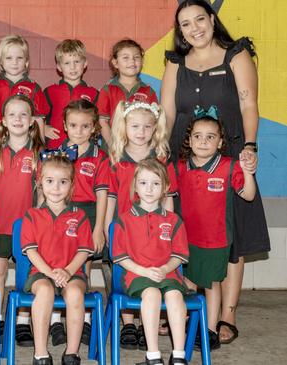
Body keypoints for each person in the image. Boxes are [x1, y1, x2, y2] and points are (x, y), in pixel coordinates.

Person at [161, 0, 270, 344]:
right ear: (179, 31)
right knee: (186, 233)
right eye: (185, 24)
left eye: (199, 20)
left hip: (228, 157)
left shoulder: (235, 54)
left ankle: (227, 315)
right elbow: (166, 112)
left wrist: (249, 148)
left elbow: (248, 103)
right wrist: (160, 151)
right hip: (184, 160)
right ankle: (185, 308)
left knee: (230, 236)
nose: (194, 28)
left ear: (212, 19)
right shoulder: (175, 63)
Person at [174, 106, 257, 350]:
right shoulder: (180, 167)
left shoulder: (229, 166)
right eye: (197, 136)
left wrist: (249, 173)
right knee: (187, 284)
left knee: (211, 285)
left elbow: (249, 195)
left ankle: (209, 330)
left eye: (210, 137)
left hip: (215, 241)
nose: (203, 141)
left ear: (220, 142)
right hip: (185, 240)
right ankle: (190, 325)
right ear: (189, 140)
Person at [104, 101, 176, 351]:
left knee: (152, 271)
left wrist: (168, 229)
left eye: (147, 126)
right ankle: (128, 325)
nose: (141, 131)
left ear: (155, 128)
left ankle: (149, 325)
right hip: (124, 230)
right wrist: (106, 228)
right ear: (124, 127)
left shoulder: (162, 159)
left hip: (154, 232)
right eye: (135, 126)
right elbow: (110, 196)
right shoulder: (115, 159)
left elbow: (169, 196)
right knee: (125, 274)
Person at [112, 159, 189, 365]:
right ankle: (153, 356)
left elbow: (180, 255)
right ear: (135, 186)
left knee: (174, 296)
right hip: (137, 275)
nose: (149, 189)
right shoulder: (125, 219)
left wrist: (164, 268)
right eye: (144, 183)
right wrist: (144, 272)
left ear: (165, 187)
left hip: (167, 274)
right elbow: (120, 257)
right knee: (152, 294)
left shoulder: (173, 220)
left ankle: (179, 355)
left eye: (156, 183)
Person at [21, 151, 94, 365]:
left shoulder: (79, 216)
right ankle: (41, 353)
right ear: (40, 183)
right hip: (41, 273)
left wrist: (68, 271)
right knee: (44, 291)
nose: (56, 187)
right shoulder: (32, 215)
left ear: (71, 186)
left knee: (74, 294)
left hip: (73, 273)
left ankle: (71, 353)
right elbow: (31, 251)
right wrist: (50, 272)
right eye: (50, 181)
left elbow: (84, 250)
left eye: (63, 182)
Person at [0, 95, 44, 345]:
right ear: (4, 122)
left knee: (24, 275)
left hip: (26, 228)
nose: (18, 119)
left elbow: (42, 191)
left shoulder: (38, 153)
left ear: (31, 121)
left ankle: (21, 322)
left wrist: (39, 221)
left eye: (23, 115)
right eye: (12, 115)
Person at [60, 100, 110, 345]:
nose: (78, 131)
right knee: (58, 260)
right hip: (61, 211)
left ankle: (85, 320)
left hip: (89, 213)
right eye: (73, 125)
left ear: (94, 128)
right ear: (65, 126)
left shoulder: (99, 157)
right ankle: (56, 321)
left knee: (84, 266)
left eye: (85, 126)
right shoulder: (56, 152)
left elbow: (102, 195)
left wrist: (99, 227)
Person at [0, 35, 49, 148]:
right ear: (0, 61)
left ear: (26, 61)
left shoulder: (34, 88)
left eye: (19, 58)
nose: (14, 62)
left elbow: (39, 120)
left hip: (25, 147)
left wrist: (41, 147)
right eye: (9, 58)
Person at [97, 39, 158, 146]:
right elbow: (102, 121)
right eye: (125, 58)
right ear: (115, 63)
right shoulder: (107, 90)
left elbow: (154, 122)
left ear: (142, 61)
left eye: (136, 57)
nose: (132, 61)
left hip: (140, 149)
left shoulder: (149, 91)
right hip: (113, 149)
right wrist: (113, 145)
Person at [44, 39, 99, 149]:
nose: (72, 67)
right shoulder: (50, 91)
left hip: (84, 148)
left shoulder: (93, 93)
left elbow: (99, 122)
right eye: (67, 63)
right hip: (56, 146)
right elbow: (37, 118)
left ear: (85, 64)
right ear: (59, 67)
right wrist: (43, 128)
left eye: (77, 62)